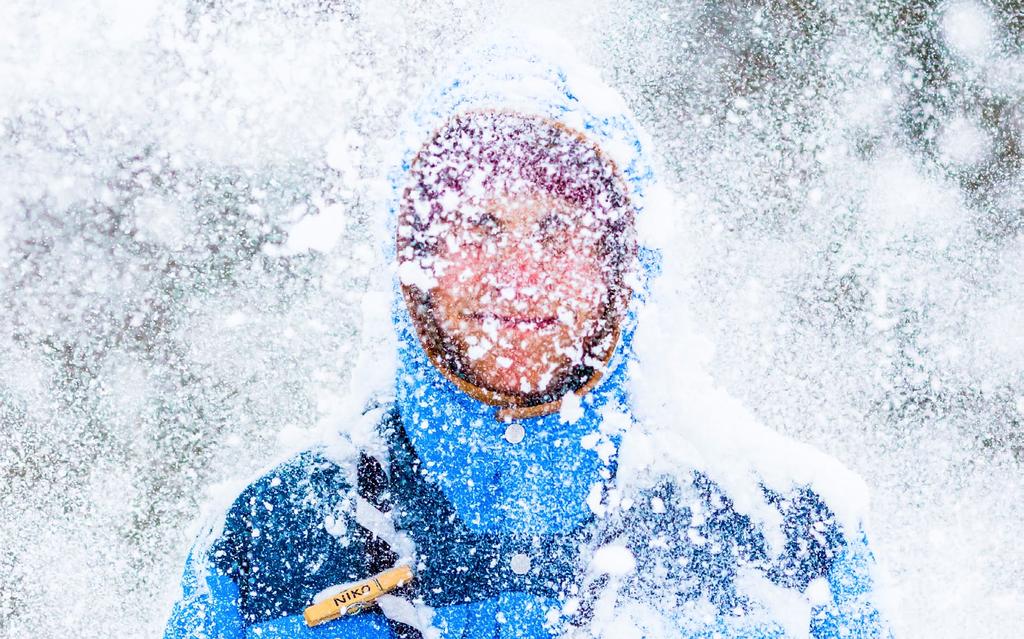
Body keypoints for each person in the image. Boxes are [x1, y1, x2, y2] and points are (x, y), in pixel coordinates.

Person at [164, 36, 892, 639]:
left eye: (557, 230)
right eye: (480, 224)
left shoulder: (786, 539)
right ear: (415, 259)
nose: (517, 273)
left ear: (624, 264)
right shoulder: (270, 547)